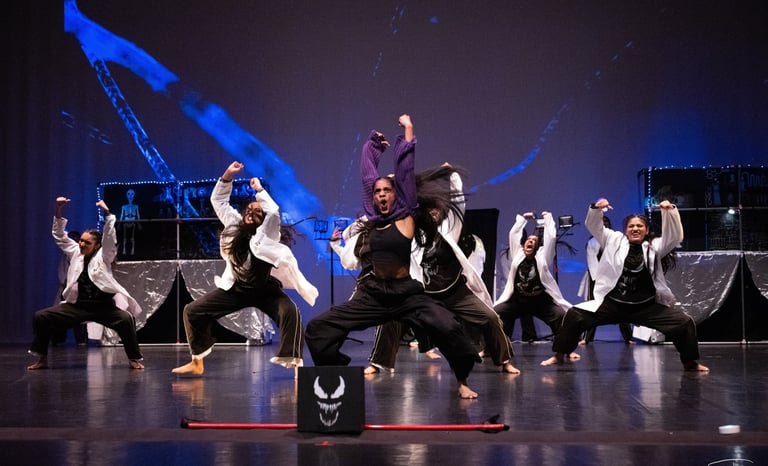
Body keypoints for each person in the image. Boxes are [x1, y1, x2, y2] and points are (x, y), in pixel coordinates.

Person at [305, 114, 482, 399]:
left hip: (405, 294)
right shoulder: (373, 219)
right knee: (318, 327)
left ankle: (462, 381)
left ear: (396, 194)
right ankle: (337, 373)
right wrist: (372, 146)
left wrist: (408, 131)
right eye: (378, 192)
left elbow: (405, 171)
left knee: (449, 327)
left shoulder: (406, 215)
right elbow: (367, 176)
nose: (382, 195)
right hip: (374, 294)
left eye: (387, 190)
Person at [365, 165, 519, 375]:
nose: (434, 213)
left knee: (490, 317)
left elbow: (458, 201)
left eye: (437, 210)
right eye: (430, 210)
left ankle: (505, 360)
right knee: (390, 318)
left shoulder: (449, 229)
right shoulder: (413, 233)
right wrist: (397, 184)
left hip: (455, 292)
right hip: (424, 295)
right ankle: (377, 363)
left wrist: (452, 175)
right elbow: (399, 205)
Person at [172, 161, 318, 375]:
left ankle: (296, 364)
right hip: (237, 288)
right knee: (192, 311)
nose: (251, 212)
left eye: (257, 211)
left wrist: (259, 190)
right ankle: (197, 362)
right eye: (249, 209)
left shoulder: (268, 234)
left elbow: (273, 212)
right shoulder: (234, 224)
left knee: (290, 311)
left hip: (264, 289)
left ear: (263, 218)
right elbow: (218, 201)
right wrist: (227, 176)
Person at [541, 198, 709, 372]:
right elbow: (594, 226)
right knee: (575, 315)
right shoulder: (613, 240)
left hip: (645, 307)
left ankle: (690, 362)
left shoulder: (654, 247)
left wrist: (669, 211)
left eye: (639, 226)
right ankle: (559, 354)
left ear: (646, 230)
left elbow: (673, 237)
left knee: (683, 322)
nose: (635, 229)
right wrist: (596, 209)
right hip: (613, 305)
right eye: (631, 226)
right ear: (626, 230)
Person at [28, 197, 144, 370]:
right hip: (78, 306)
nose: (81, 244)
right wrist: (58, 209)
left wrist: (108, 214)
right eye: (81, 240)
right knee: (41, 317)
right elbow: (59, 236)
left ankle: (133, 358)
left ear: (96, 246)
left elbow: (109, 239)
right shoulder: (76, 252)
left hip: (103, 307)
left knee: (126, 319)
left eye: (86, 242)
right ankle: (42, 358)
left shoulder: (104, 256)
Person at [493, 212, 576, 359]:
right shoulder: (518, 254)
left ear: (538, 247)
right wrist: (523, 220)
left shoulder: (543, 257)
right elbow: (513, 234)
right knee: (495, 314)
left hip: (540, 301)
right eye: (528, 240)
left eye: (534, 241)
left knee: (560, 316)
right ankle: (490, 349)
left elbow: (551, 239)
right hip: (518, 300)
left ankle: (566, 350)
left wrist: (548, 219)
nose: (530, 242)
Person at [577, 215, 634, 345]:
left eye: (606, 222)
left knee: (621, 305)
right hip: (596, 278)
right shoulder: (592, 242)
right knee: (593, 307)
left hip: (615, 276)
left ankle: (628, 337)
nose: (604, 224)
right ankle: (587, 337)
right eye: (602, 222)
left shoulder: (616, 239)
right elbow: (592, 262)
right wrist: (598, 279)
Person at [119, 188, 140, 256]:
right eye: (128, 194)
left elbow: (138, 215)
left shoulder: (136, 206)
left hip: (133, 222)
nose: (130, 196)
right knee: (125, 236)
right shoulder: (124, 207)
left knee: (132, 237)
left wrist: (139, 223)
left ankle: (132, 250)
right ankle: (124, 249)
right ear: (126, 196)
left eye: (132, 194)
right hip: (126, 222)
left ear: (134, 195)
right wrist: (119, 224)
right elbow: (121, 215)